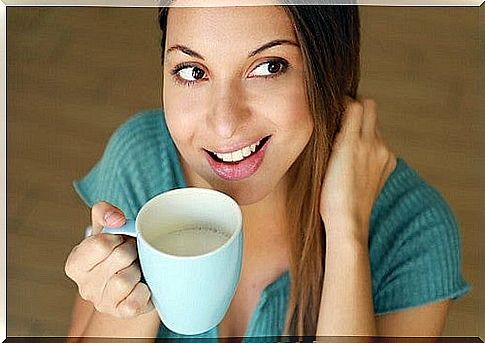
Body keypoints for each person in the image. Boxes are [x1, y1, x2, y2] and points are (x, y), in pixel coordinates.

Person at [64, 2, 471, 340]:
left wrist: (347, 233)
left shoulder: (415, 229)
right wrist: (139, 282)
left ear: (329, 67)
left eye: (269, 67)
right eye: (192, 71)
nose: (224, 124)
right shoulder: (142, 160)